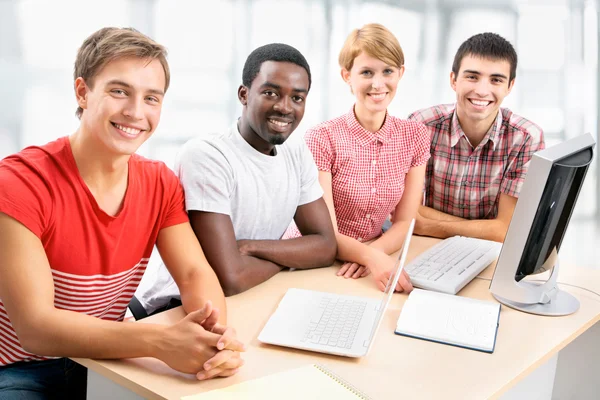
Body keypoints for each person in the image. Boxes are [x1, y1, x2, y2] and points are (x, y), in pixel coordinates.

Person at [0, 27, 244, 399]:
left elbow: (195, 274)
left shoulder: (160, 182)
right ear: (83, 92)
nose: (135, 112)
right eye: (119, 91)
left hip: (110, 354)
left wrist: (215, 342)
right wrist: (156, 341)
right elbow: (36, 327)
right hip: (22, 366)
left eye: (151, 98)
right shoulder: (20, 182)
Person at [137, 43, 336, 309]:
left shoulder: (296, 151)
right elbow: (230, 277)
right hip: (179, 308)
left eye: (297, 98)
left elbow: (325, 246)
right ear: (244, 94)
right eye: (271, 93)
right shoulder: (208, 156)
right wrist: (289, 258)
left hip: (254, 295)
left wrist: (251, 248)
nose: (285, 107)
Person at [285, 23, 430, 293]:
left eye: (388, 71)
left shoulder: (415, 136)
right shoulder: (322, 137)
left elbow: (404, 223)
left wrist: (371, 253)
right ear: (347, 76)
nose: (378, 84)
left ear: (400, 74)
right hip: (313, 259)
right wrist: (370, 257)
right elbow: (323, 234)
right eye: (366, 72)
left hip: (369, 261)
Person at [408, 32, 545, 243]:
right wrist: (483, 228)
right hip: (428, 245)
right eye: (472, 77)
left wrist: (428, 225)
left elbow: (505, 230)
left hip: (487, 252)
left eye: (496, 80)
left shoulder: (526, 138)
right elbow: (407, 213)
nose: (482, 90)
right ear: (453, 80)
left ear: (510, 86)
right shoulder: (420, 125)